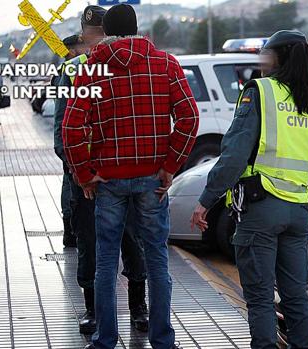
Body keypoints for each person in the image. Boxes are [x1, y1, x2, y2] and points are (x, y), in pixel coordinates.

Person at [63, 4, 199, 349]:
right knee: (156, 258)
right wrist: (170, 165)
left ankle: (105, 338)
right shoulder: (165, 64)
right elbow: (189, 118)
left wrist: (85, 175)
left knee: (106, 261)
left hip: (108, 181)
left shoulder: (91, 68)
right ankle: (162, 339)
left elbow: (71, 127)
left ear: (106, 31)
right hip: (152, 179)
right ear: (137, 28)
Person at [191, 30, 308, 349]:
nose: (261, 62)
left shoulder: (261, 93)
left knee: (261, 297)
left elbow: (235, 154)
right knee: (297, 297)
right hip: (298, 211)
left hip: (262, 209)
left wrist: (206, 200)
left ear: (279, 58)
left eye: (266, 55)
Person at [56, 5, 151, 338]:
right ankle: (93, 310)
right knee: (89, 246)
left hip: (119, 173)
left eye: (100, 36)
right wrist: (79, 173)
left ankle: (139, 307)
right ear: (83, 37)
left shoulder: (127, 63)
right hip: (86, 179)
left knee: (133, 243)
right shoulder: (72, 70)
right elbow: (61, 130)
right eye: (91, 37)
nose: (95, 42)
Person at [54, 34, 82, 248]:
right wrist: (63, 148)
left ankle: (72, 229)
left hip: (73, 143)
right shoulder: (69, 70)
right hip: (72, 144)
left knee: (70, 187)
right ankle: (70, 229)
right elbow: (61, 113)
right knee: (70, 187)